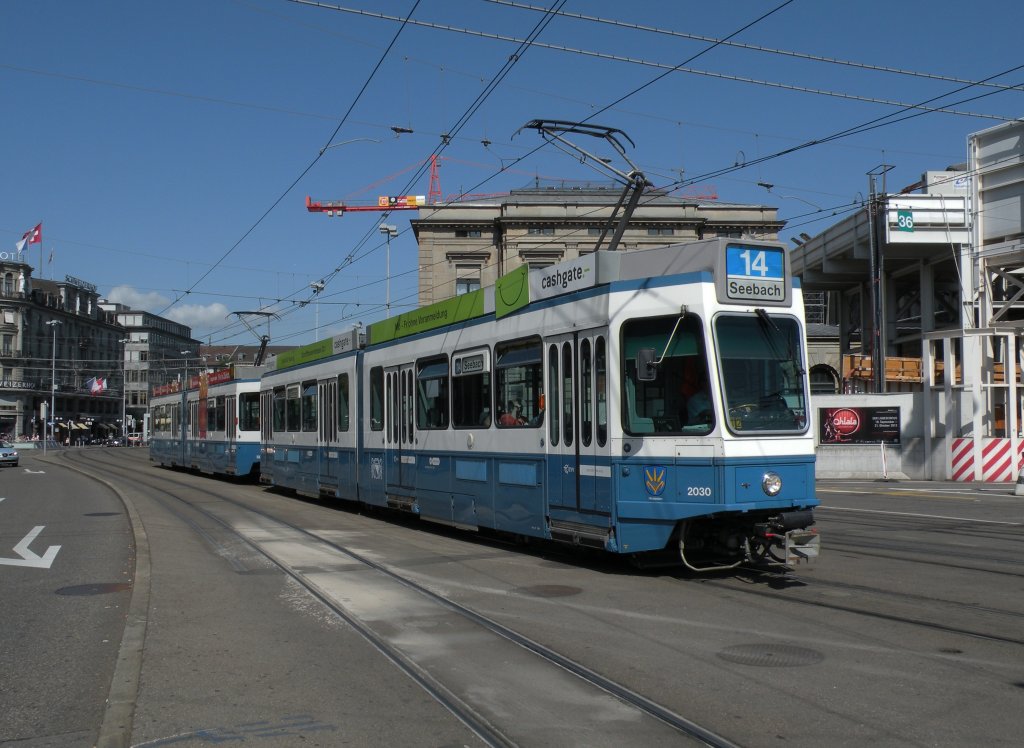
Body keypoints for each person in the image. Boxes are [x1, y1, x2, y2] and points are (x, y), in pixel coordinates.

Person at [679, 357, 712, 425]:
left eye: (711, 380)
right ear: (701, 383)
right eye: (705, 380)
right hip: (699, 433)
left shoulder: (720, 397)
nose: (709, 383)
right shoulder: (694, 399)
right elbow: (706, 413)